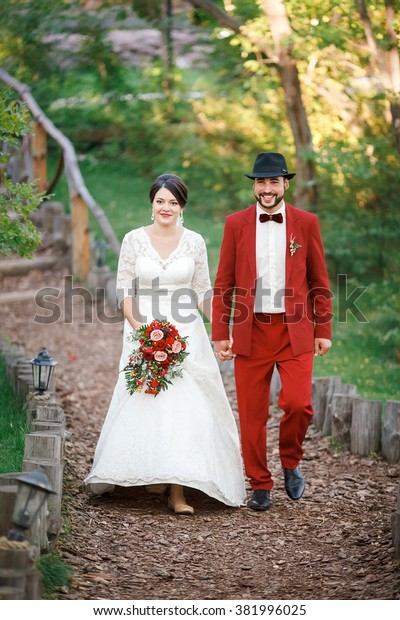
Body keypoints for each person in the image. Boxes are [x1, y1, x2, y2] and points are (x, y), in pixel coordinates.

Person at [84, 173, 246, 514]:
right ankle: (149, 470)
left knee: (186, 406)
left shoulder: (194, 241)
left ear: (182, 206)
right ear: (151, 203)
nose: (166, 207)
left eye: (173, 202)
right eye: (160, 201)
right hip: (143, 327)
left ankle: (178, 490)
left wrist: (221, 331)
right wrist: (142, 330)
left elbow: (203, 291)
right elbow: (125, 290)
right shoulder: (133, 240)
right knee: (146, 399)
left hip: (186, 330)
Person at [212, 152, 332, 511]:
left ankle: (290, 461)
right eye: (261, 182)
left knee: (299, 404)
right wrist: (221, 331)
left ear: (285, 185)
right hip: (251, 331)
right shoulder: (236, 224)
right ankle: (259, 483)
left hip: (295, 330)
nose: (267, 189)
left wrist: (323, 328)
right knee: (251, 414)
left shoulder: (306, 223)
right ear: (254, 186)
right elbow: (224, 283)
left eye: (273, 182)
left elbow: (319, 280)